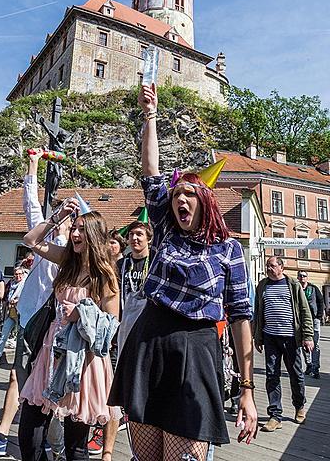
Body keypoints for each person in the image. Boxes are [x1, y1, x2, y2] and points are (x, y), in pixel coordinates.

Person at [108, 84, 257, 461]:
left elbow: (240, 318)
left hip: (196, 350)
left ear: (205, 202)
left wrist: (247, 389)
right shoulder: (167, 230)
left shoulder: (229, 251)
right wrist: (150, 116)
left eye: (190, 195)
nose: (181, 201)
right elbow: (151, 171)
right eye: (177, 196)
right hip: (149, 342)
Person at [0, 149, 69, 460]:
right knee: (19, 380)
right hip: (29, 320)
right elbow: (31, 209)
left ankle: (57, 443)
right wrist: (33, 165)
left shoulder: (71, 251)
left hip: (56, 327)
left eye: (70, 218)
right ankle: (2, 436)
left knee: (53, 391)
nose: (65, 221)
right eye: (62, 216)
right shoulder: (44, 238)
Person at [18, 200, 120, 461]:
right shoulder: (67, 260)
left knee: (75, 445)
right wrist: (57, 217)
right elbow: (31, 240)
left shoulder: (104, 276)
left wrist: (83, 314)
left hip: (83, 361)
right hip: (51, 352)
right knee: (30, 431)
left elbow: (111, 325)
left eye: (82, 230)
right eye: (74, 228)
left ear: (95, 236)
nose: (75, 234)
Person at [88, 226, 137, 457]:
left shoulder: (124, 267)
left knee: (114, 388)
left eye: (114, 243)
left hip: (123, 332)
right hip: (100, 338)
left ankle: (108, 442)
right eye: (107, 243)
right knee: (104, 390)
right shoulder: (99, 268)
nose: (110, 247)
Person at [254, 256, 314, 432]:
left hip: (291, 337)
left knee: (296, 374)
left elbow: (304, 310)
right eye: (267, 266)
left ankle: (299, 406)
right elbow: (258, 312)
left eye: (272, 266)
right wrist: (257, 337)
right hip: (270, 337)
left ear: (281, 267)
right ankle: (275, 415)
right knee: (272, 375)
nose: (269, 269)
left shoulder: (293, 284)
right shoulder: (262, 285)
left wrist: (308, 336)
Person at [297, 270, 324, 379]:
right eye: (300, 276)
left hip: (314, 320)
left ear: (307, 278)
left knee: (315, 344)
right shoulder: (297, 289)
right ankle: (309, 364)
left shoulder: (313, 288)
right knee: (304, 343)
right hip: (301, 320)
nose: (302, 277)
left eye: (304, 276)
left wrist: (319, 316)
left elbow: (320, 301)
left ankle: (315, 367)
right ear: (298, 278)